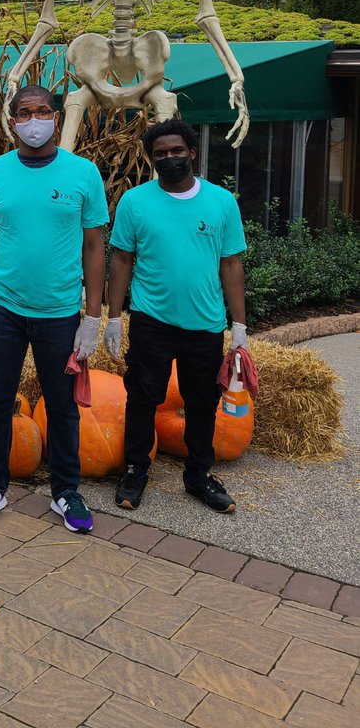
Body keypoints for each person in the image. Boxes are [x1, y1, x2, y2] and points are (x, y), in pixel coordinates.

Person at [0, 84, 109, 529]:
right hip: (2, 308)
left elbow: (94, 247)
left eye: (42, 111)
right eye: (24, 113)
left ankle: (66, 492)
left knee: (62, 405)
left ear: (56, 117)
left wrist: (92, 316)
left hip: (60, 311)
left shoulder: (83, 174)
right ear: (12, 123)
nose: (33, 120)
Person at [107, 117, 248, 514]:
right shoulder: (136, 202)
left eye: (176, 151)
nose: (169, 158)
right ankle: (136, 469)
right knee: (142, 397)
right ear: (152, 159)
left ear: (192, 152)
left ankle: (199, 474)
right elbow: (121, 258)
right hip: (152, 321)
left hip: (204, 323)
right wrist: (112, 316)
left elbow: (232, 264)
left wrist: (239, 326)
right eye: (160, 154)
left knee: (202, 402)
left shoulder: (220, 202)